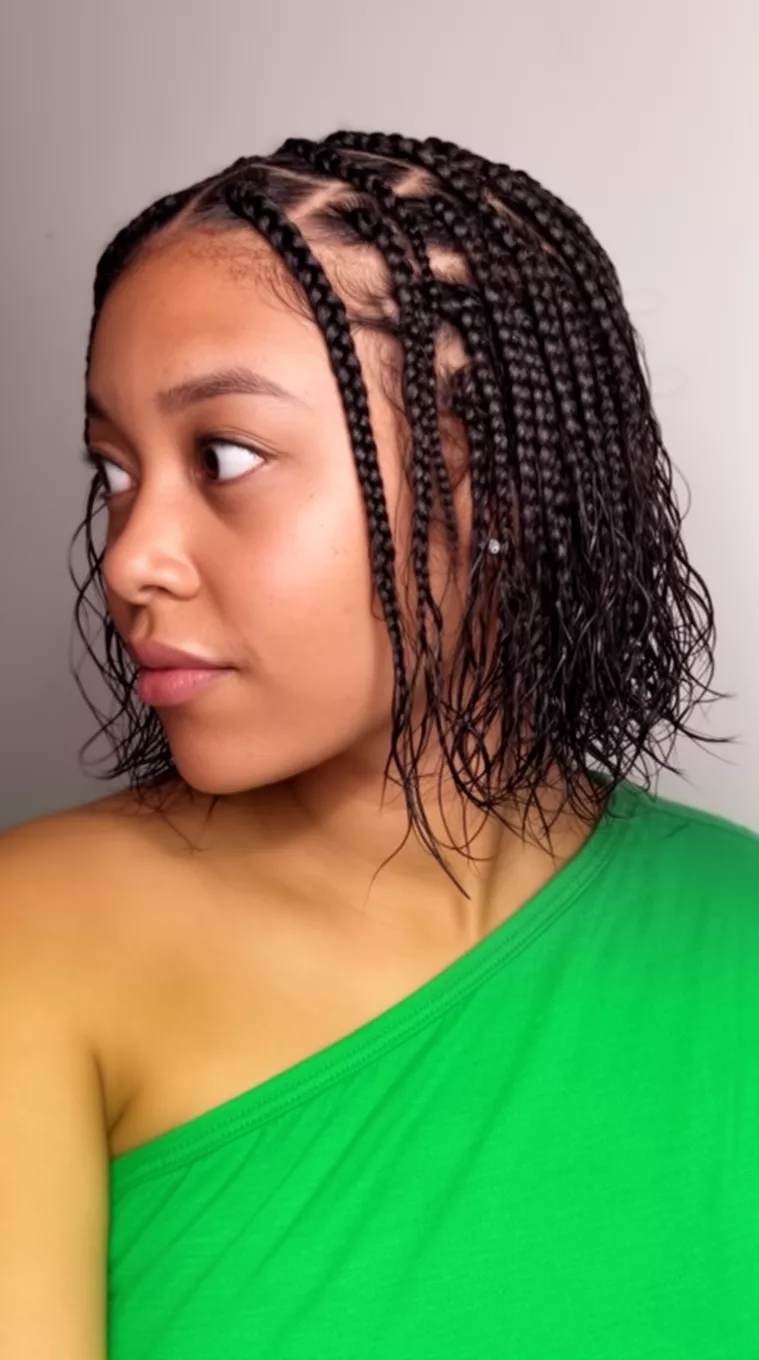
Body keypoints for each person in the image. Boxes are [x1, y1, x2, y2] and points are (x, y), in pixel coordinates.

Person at [1, 130, 757, 1358]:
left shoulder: (736, 930)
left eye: (225, 456)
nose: (132, 557)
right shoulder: (32, 935)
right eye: (116, 470)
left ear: (494, 484)